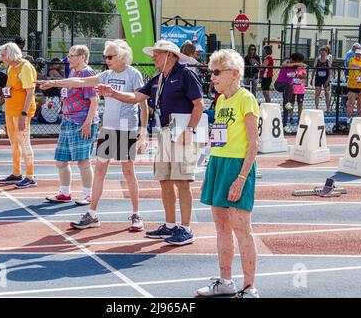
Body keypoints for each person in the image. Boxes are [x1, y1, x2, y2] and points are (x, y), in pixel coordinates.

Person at [97, 40, 205, 246]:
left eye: (157, 53)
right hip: (165, 132)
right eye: (153, 53)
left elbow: (199, 104)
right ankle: (170, 225)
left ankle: (186, 228)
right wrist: (112, 93)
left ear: (170, 55)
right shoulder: (158, 78)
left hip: (183, 133)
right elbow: (135, 97)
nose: (153, 57)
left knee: (182, 181)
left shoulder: (185, 74)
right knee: (164, 180)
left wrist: (190, 130)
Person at [38, 39, 148, 232]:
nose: (106, 59)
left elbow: (141, 102)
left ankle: (136, 213)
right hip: (108, 128)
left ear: (122, 56)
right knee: (99, 171)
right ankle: (92, 214)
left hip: (125, 127)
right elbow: (80, 81)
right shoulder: (106, 74)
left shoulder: (133, 74)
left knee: (128, 172)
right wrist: (54, 82)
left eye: (110, 56)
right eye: (105, 56)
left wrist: (143, 131)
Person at [195, 49, 259, 298]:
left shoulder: (246, 99)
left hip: (237, 166)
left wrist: (241, 178)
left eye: (217, 72)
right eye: (211, 72)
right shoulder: (220, 101)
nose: (212, 77)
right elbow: (219, 138)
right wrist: (207, 155)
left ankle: (250, 286)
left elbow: (254, 145)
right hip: (219, 163)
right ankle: (225, 281)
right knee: (221, 226)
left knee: (242, 227)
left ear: (234, 74)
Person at [44, 45, 99, 205]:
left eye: (72, 56)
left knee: (83, 161)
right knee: (61, 161)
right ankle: (64, 192)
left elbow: (94, 100)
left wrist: (88, 123)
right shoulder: (73, 72)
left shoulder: (87, 73)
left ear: (82, 57)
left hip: (81, 122)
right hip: (68, 122)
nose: (68, 59)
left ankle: (89, 194)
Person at [0, 42, 38, 189]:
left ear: (10, 54)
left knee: (25, 143)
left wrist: (24, 113)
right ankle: (16, 173)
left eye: (3, 55)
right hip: (10, 110)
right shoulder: (11, 68)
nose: (1, 58)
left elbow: (30, 92)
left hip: (21, 112)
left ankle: (30, 176)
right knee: (14, 142)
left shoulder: (25, 67)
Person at [274, 52, 305, 133]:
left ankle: (284, 125)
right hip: (279, 85)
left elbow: (302, 73)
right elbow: (284, 65)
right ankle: (287, 103)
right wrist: (298, 64)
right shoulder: (287, 62)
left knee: (286, 107)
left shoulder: (295, 69)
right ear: (294, 60)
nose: (300, 64)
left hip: (287, 89)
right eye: (299, 61)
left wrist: (300, 71)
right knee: (289, 85)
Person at [310, 46, 332, 113]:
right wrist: (311, 79)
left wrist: (328, 80)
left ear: (326, 53)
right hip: (318, 78)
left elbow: (330, 72)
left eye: (324, 52)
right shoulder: (317, 60)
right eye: (321, 52)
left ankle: (328, 109)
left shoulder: (328, 61)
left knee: (327, 93)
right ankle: (316, 108)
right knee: (317, 93)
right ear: (319, 53)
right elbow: (314, 70)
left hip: (325, 79)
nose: (323, 53)